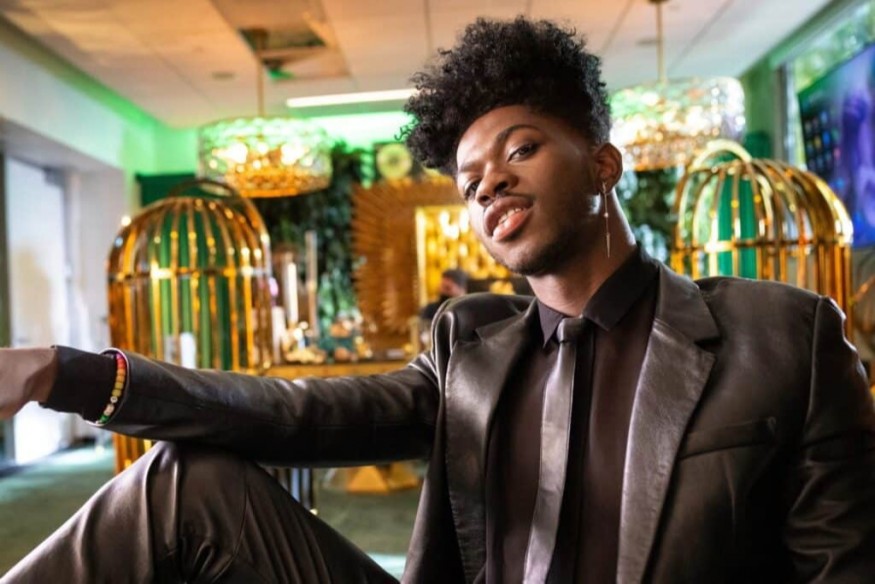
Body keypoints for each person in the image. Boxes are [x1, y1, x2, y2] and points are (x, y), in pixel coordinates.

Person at [1, 16, 874, 583]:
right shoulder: (470, 347)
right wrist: (57, 373)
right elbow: (293, 415)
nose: (489, 182)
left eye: (520, 149)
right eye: (468, 180)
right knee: (179, 484)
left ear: (603, 164)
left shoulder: (779, 336)